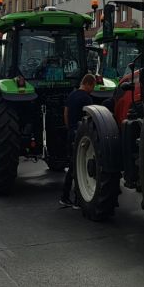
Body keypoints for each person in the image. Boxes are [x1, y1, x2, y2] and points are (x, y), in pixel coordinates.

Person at [60, 74, 96, 208]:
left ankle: (64, 197)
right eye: (92, 86)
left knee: (72, 165)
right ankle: (77, 199)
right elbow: (90, 117)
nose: (92, 89)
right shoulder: (87, 98)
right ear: (88, 83)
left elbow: (65, 112)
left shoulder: (71, 95)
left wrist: (69, 127)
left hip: (71, 132)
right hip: (81, 135)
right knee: (81, 166)